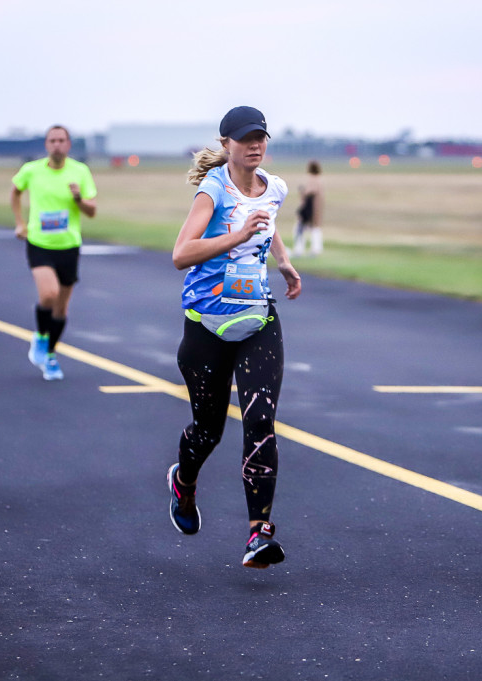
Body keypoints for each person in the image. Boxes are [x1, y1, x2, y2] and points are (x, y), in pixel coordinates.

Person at [169, 106, 302, 569]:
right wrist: (236, 236)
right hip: (206, 327)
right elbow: (181, 254)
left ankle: (258, 533)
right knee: (209, 430)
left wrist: (281, 259)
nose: (255, 145)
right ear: (226, 144)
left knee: (260, 423)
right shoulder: (212, 191)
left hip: (257, 323)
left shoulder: (276, 187)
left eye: (261, 137)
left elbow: (267, 221)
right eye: (245, 138)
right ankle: (184, 482)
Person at [11, 125, 97, 380]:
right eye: (52, 140)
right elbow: (15, 191)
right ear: (46, 145)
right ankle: (39, 337)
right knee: (49, 294)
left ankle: (49, 354)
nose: (57, 144)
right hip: (39, 242)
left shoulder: (80, 171)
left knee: (61, 308)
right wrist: (19, 222)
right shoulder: (31, 170)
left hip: (69, 245)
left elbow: (91, 211)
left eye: (61, 140)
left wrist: (78, 198)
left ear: (68, 144)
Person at [292, 160, 324, 256]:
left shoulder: (312, 179)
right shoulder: (319, 179)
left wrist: (302, 192)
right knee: (315, 228)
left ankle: (300, 249)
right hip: (315, 208)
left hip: (309, 207)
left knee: (300, 228)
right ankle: (316, 248)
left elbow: (310, 192)